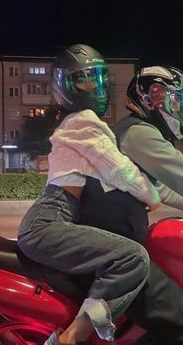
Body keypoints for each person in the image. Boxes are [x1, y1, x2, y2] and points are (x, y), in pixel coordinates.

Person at [17, 45, 161, 345]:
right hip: (51, 218)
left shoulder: (78, 125)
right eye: (82, 79)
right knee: (132, 258)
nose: (93, 86)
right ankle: (70, 338)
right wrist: (151, 197)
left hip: (56, 215)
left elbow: (115, 180)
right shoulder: (84, 122)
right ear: (64, 86)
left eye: (97, 77)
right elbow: (123, 173)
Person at [79, 66, 183, 344]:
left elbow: (162, 187)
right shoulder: (138, 134)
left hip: (113, 243)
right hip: (117, 252)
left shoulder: (132, 132)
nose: (177, 110)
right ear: (150, 97)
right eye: (172, 102)